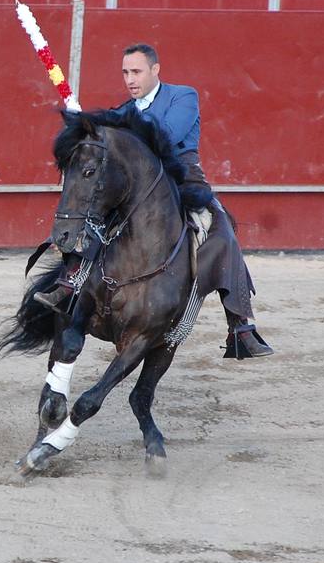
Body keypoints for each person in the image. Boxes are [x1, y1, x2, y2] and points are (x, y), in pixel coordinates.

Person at [33, 43, 273, 359]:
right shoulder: (124, 110)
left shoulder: (183, 96)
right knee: (91, 211)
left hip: (181, 174)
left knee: (221, 226)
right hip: (138, 180)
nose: (130, 79)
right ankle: (69, 282)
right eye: (125, 73)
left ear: (154, 70)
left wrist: (116, 124)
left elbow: (169, 135)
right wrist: (86, 126)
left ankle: (240, 326)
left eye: (136, 71)